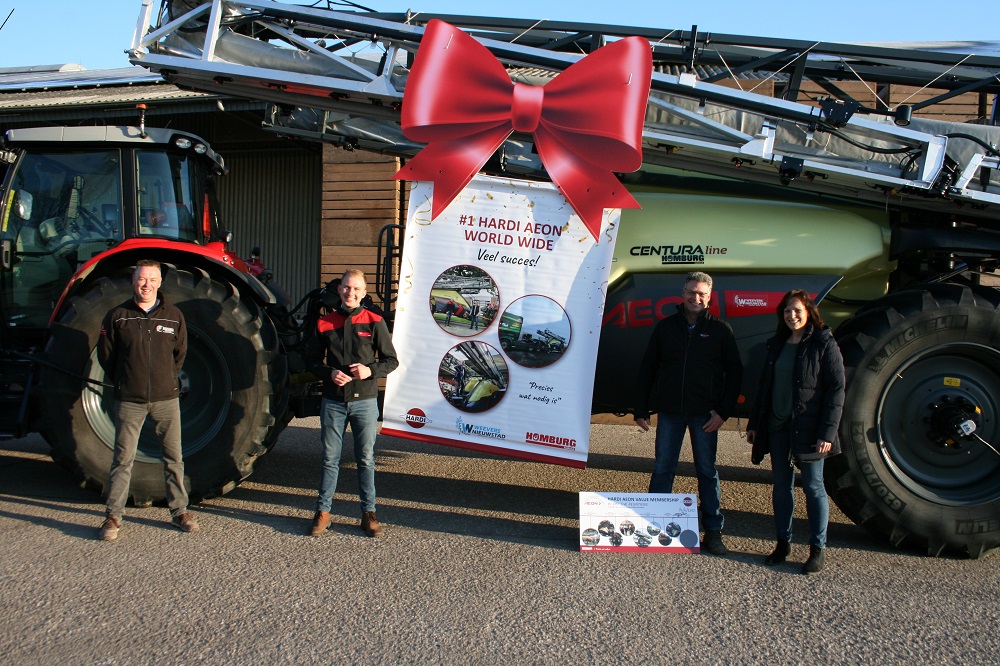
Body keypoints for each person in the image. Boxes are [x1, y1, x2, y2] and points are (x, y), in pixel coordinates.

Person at [634, 271, 742, 556]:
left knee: (707, 471)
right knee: (663, 468)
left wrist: (723, 412)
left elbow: (735, 373)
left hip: (704, 415)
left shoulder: (720, 330)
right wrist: (641, 408)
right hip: (670, 412)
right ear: (682, 294)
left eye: (702, 294)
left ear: (709, 297)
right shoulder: (666, 328)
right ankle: (654, 526)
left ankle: (714, 532)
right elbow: (648, 367)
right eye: (691, 292)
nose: (696, 298)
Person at [96, 259, 198, 541]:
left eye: (152, 279)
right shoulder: (117, 316)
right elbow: (107, 356)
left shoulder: (173, 315)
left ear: (160, 283)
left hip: (166, 399)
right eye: (142, 279)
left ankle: (179, 511)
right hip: (130, 399)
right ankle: (113, 515)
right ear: (133, 281)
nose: (147, 284)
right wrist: (126, 379)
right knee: (122, 459)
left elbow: (180, 354)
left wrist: (166, 378)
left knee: (173, 458)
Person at [746, 289, 845, 575]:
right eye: (788, 311)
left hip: (811, 430)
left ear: (809, 312)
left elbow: (837, 390)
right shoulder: (776, 344)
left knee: (814, 487)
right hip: (778, 426)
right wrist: (755, 425)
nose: (792, 315)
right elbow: (764, 389)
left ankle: (817, 549)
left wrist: (827, 432)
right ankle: (782, 543)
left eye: (797, 310)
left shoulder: (824, 343)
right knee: (781, 487)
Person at [307, 269, 398, 537]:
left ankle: (368, 513)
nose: (351, 293)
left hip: (365, 402)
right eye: (347, 287)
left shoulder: (374, 320)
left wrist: (371, 371)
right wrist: (329, 373)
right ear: (339, 289)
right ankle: (323, 513)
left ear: (364, 293)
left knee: (366, 459)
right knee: (329, 458)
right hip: (333, 401)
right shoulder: (325, 323)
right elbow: (311, 361)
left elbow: (391, 360)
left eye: (356, 289)